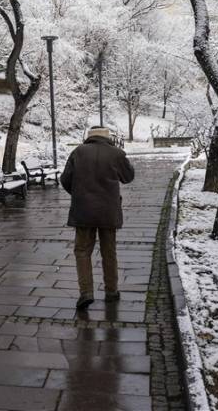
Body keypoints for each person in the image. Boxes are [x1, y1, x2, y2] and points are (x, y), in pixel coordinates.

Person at [61, 126, 135, 310]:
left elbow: (65, 179)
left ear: (89, 137)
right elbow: (128, 177)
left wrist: (79, 194)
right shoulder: (116, 154)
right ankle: (111, 291)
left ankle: (86, 292)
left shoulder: (78, 152)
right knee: (109, 252)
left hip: (83, 210)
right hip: (108, 211)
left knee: (82, 251)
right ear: (107, 137)